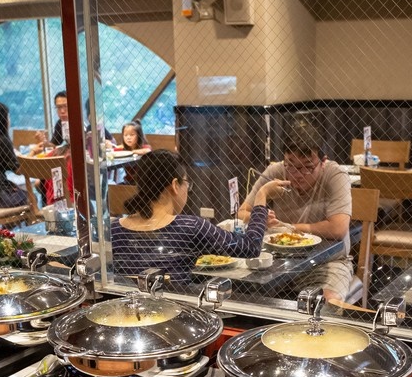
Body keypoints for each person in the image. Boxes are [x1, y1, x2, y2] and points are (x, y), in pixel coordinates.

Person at [111, 150, 279, 281]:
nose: (187, 191)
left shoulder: (113, 231)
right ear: (175, 185)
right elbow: (250, 247)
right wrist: (261, 195)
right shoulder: (190, 227)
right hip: (175, 318)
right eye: (186, 184)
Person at [238, 123, 352, 302]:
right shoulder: (275, 172)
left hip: (327, 263)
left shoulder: (335, 175)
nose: (297, 175)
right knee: (244, 298)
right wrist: (260, 219)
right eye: (291, 166)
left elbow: (338, 228)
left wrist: (289, 228)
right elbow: (242, 213)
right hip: (278, 263)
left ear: (323, 162)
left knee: (328, 304)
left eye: (307, 167)